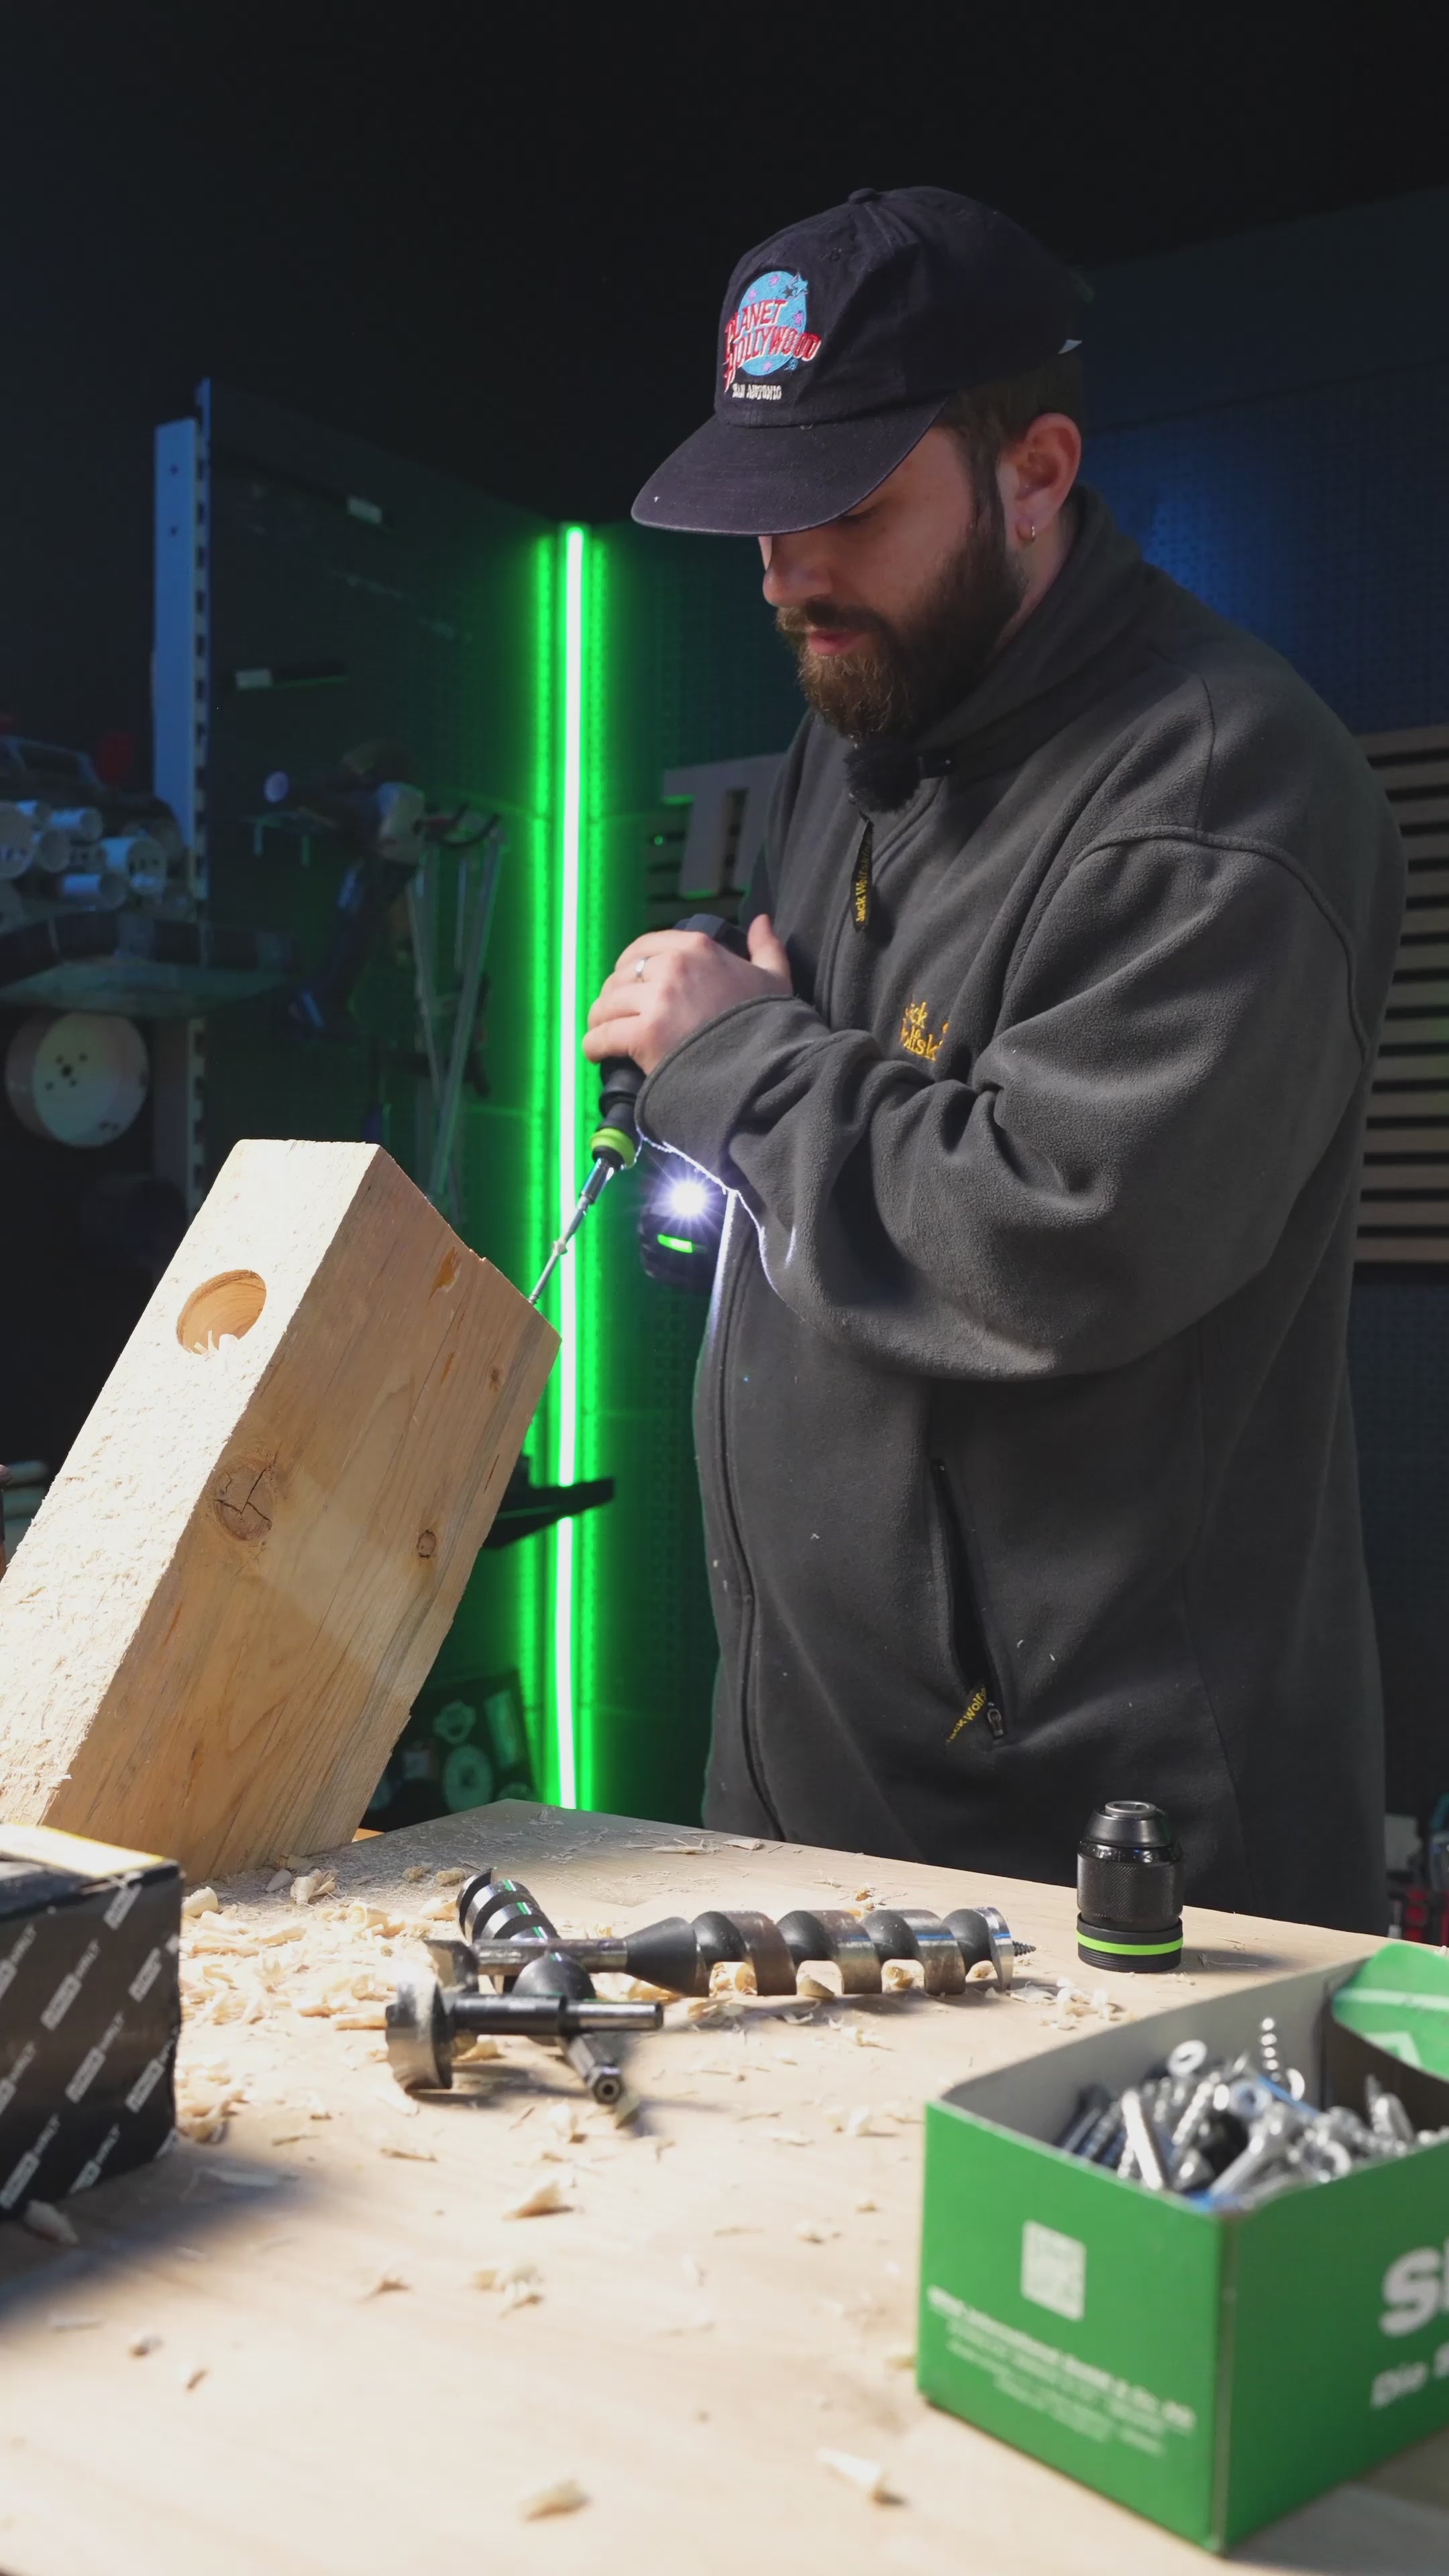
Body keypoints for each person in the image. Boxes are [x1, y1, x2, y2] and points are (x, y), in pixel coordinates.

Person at [584, 186, 1403, 1931]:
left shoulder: (1223, 793)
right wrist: (748, 1079)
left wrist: (744, 1071)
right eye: (763, 517)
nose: (786, 572)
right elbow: (835, 1108)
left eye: (847, 508)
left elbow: (1056, 1236)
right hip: (811, 1797)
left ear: (1033, 474)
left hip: (1111, 1862)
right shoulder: (863, 715)